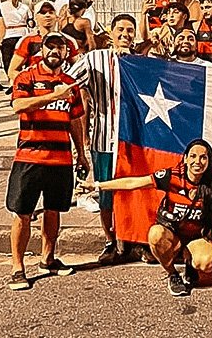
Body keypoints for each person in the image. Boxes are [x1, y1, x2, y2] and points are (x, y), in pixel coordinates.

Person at [80, 139, 212, 296]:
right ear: (186, 159)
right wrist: (97, 186)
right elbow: (133, 183)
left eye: (203, 157)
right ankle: (173, 274)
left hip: (196, 237)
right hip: (170, 233)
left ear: (209, 161)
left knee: (207, 263)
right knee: (155, 234)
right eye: (193, 156)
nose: (198, 161)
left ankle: (190, 265)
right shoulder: (172, 176)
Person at [7, 32, 88, 290]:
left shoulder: (70, 83)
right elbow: (19, 106)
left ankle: (48, 259)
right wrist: (53, 96)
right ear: (42, 50)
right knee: (22, 213)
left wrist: (81, 153)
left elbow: (75, 120)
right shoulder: (27, 77)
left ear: (66, 52)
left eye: (59, 47)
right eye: (49, 47)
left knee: (54, 211)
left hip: (61, 158)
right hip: (29, 157)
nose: (54, 51)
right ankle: (17, 267)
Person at [66, 14, 138, 265]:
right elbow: (68, 81)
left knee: (133, 192)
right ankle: (111, 240)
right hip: (104, 139)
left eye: (130, 30)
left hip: (135, 142)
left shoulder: (142, 63)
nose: (125, 35)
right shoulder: (94, 59)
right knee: (105, 192)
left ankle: (133, 240)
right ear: (111, 32)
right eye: (121, 30)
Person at [8, 1, 79, 82]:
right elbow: (12, 71)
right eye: (43, 13)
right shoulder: (27, 40)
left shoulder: (69, 41)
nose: (47, 15)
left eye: (51, 12)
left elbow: (78, 68)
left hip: (61, 85)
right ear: (36, 17)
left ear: (57, 16)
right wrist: (30, 82)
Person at [0, 0, 31, 85]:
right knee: (23, 59)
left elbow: (0, 24)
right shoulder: (25, 7)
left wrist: (0, 38)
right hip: (23, 35)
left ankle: (11, 80)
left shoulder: (1, 6)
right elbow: (30, 22)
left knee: (7, 60)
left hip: (8, 35)